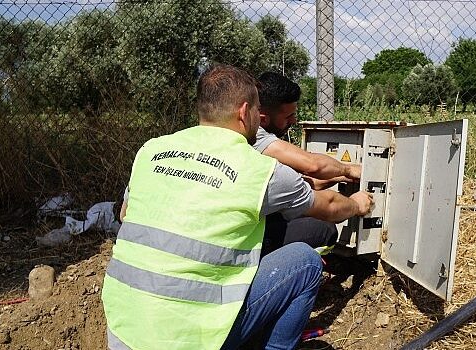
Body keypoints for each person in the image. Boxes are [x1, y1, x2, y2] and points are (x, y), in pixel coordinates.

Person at [101, 64, 373, 350]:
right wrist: (356, 204)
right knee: (305, 261)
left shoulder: (151, 150)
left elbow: (125, 214)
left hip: (124, 330)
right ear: (245, 112)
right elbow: (329, 205)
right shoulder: (259, 169)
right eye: (257, 110)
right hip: (193, 340)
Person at [255, 72, 362, 256]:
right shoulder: (257, 137)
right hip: (253, 237)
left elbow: (300, 183)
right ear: (263, 118)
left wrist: (342, 176)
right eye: (288, 116)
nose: (294, 121)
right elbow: (313, 165)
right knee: (324, 229)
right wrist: (349, 170)